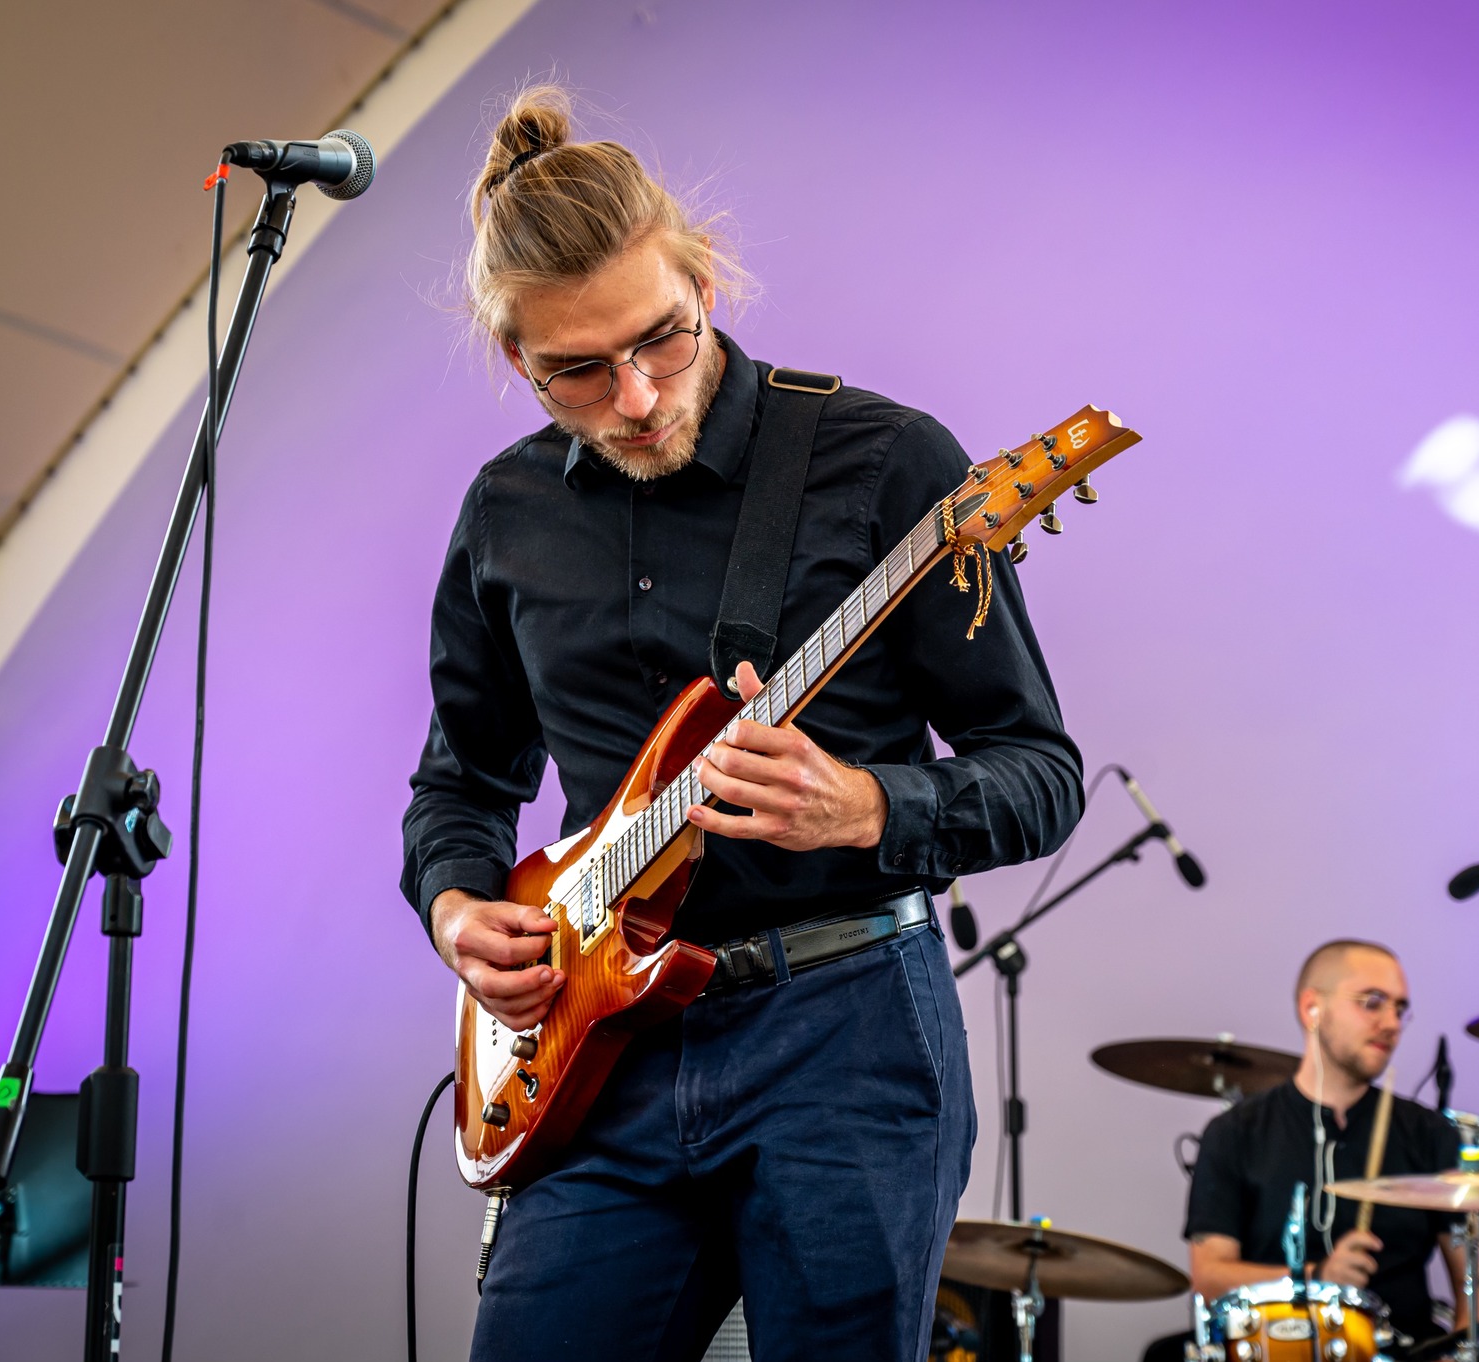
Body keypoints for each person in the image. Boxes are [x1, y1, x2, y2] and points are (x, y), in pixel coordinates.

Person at [400, 87, 1084, 1362]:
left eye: (661, 339)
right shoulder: (504, 514)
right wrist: (454, 909)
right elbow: (461, 783)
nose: (636, 397)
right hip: (598, 1059)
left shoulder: (884, 460)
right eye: (576, 371)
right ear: (516, 362)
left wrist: (868, 806)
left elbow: (1040, 774)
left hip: (845, 1032)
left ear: (704, 283)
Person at [1149, 939, 1479, 1359]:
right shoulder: (1236, 1132)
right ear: (1312, 1008)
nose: (1392, 1023)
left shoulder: (1429, 1134)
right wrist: (1317, 1277)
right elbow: (1210, 1277)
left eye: (1400, 1009)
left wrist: (1458, 1356)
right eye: (1372, 1002)